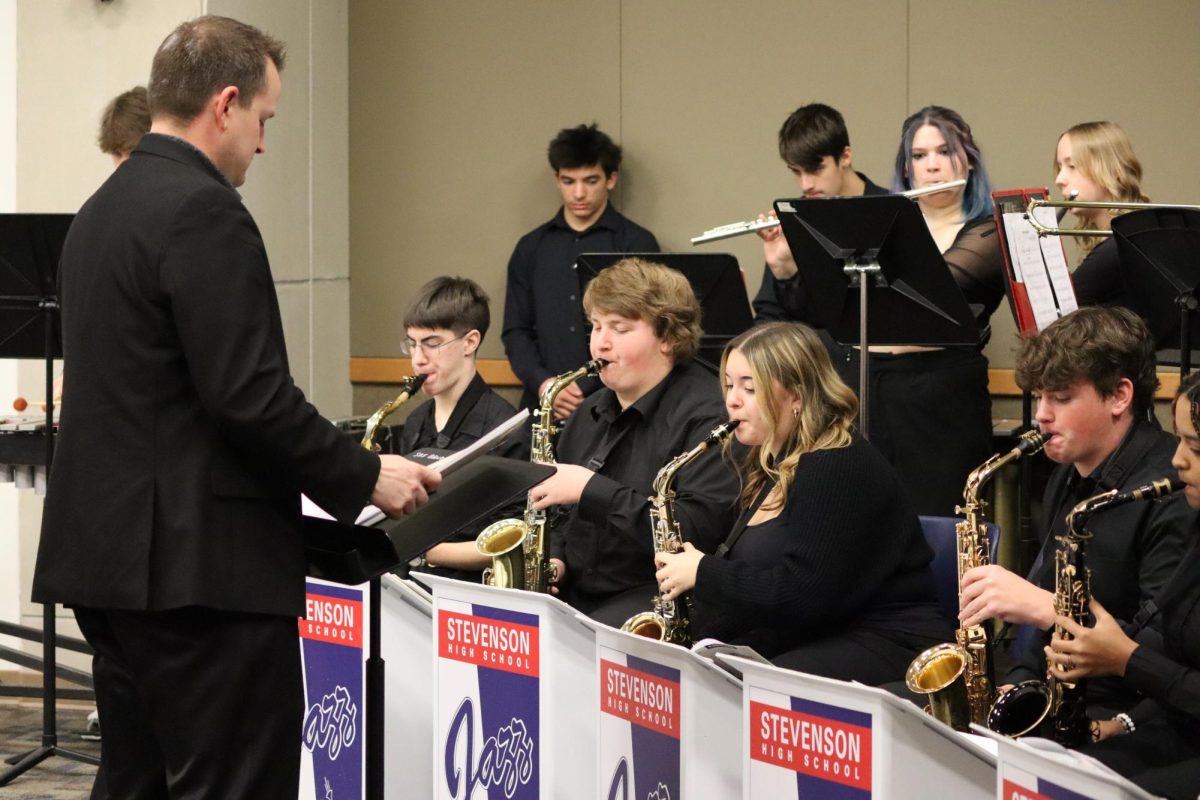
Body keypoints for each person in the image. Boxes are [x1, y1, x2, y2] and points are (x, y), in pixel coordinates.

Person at [31, 16, 440, 800]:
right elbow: (246, 395)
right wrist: (363, 475)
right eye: (264, 120)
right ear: (225, 104)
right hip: (197, 574)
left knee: (135, 784)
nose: (262, 143)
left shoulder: (99, 212)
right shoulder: (202, 209)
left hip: (109, 564)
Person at [654, 322, 949, 684]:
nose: (732, 399)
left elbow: (803, 594)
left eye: (750, 387)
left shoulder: (834, 463)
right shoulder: (772, 462)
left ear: (796, 395)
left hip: (887, 639)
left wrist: (703, 572)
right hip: (821, 631)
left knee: (750, 686)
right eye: (730, 385)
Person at [959, 306, 1191, 714]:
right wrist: (1015, 688)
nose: (1043, 415)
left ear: (1119, 396)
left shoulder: (1169, 493)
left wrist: (1043, 607)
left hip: (1129, 710)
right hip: (1061, 690)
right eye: (1038, 397)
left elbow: (1161, 649)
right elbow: (1042, 630)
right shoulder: (1067, 475)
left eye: (1061, 398)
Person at [529, 257, 739, 627]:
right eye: (595, 327)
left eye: (620, 329)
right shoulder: (587, 411)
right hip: (579, 590)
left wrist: (590, 489)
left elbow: (692, 532)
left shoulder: (709, 416)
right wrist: (557, 558)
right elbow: (557, 515)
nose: (601, 344)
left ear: (669, 338)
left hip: (655, 599)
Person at [1044, 370, 1200, 800]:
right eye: (1180, 440)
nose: (1178, 460)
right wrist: (1127, 723)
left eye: (1196, 447)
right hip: (1176, 726)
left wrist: (1126, 659)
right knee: (1060, 773)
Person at [501, 123, 659, 417]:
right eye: (568, 181)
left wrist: (585, 387)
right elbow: (516, 331)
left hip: (616, 402)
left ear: (611, 179)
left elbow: (649, 331)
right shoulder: (531, 247)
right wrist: (545, 384)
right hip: (544, 403)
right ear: (556, 179)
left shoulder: (637, 242)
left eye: (590, 180)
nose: (579, 193)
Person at [397, 276, 528, 582]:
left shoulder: (505, 429)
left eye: (431, 344)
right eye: (412, 344)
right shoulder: (416, 422)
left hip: (471, 593)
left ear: (470, 342)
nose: (418, 359)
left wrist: (420, 550)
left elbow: (511, 541)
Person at [752, 103, 890, 324]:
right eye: (797, 172)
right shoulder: (795, 217)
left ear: (845, 156)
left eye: (815, 169)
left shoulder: (892, 212)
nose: (805, 185)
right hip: (811, 356)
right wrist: (784, 272)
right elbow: (770, 316)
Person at [1053, 121, 1150, 307]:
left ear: (1111, 171)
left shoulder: (1119, 246)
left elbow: (1060, 309)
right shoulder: (1125, 236)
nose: (1059, 180)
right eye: (1059, 168)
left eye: (1071, 166)